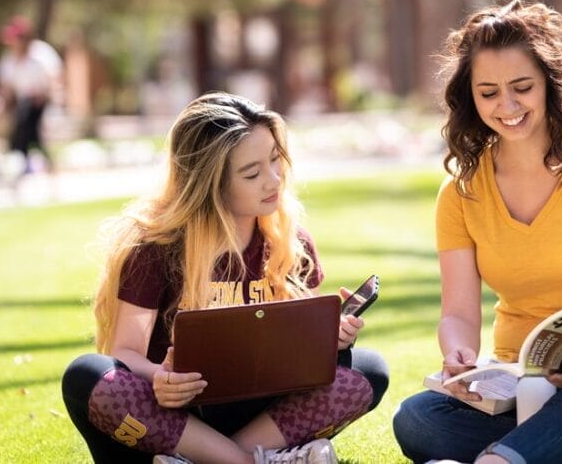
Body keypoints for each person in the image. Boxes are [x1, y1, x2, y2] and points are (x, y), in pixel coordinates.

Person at [392, 0, 562, 464]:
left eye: (522, 87)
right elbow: (458, 311)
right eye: (489, 93)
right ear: (469, 96)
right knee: (416, 418)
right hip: (515, 381)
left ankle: (503, 459)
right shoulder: (459, 191)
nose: (508, 106)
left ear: (549, 84)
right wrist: (458, 352)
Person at [61, 93, 389, 464]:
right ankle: (249, 461)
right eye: (252, 173)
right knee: (87, 376)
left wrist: (332, 338)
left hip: (255, 413)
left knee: (366, 370)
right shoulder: (155, 248)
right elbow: (123, 352)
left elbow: (302, 359)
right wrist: (160, 378)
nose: (273, 179)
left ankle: (221, 458)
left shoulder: (290, 243)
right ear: (209, 183)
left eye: (275, 161)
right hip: (169, 419)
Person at [0, 15, 63, 175]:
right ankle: (21, 168)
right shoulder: (8, 60)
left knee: (31, 135)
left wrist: (51, 99)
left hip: (43, 102)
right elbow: (6, 88)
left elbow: (55, 79)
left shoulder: (41, 53)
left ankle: (39, 170)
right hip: (25, 104)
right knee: (24, 133)